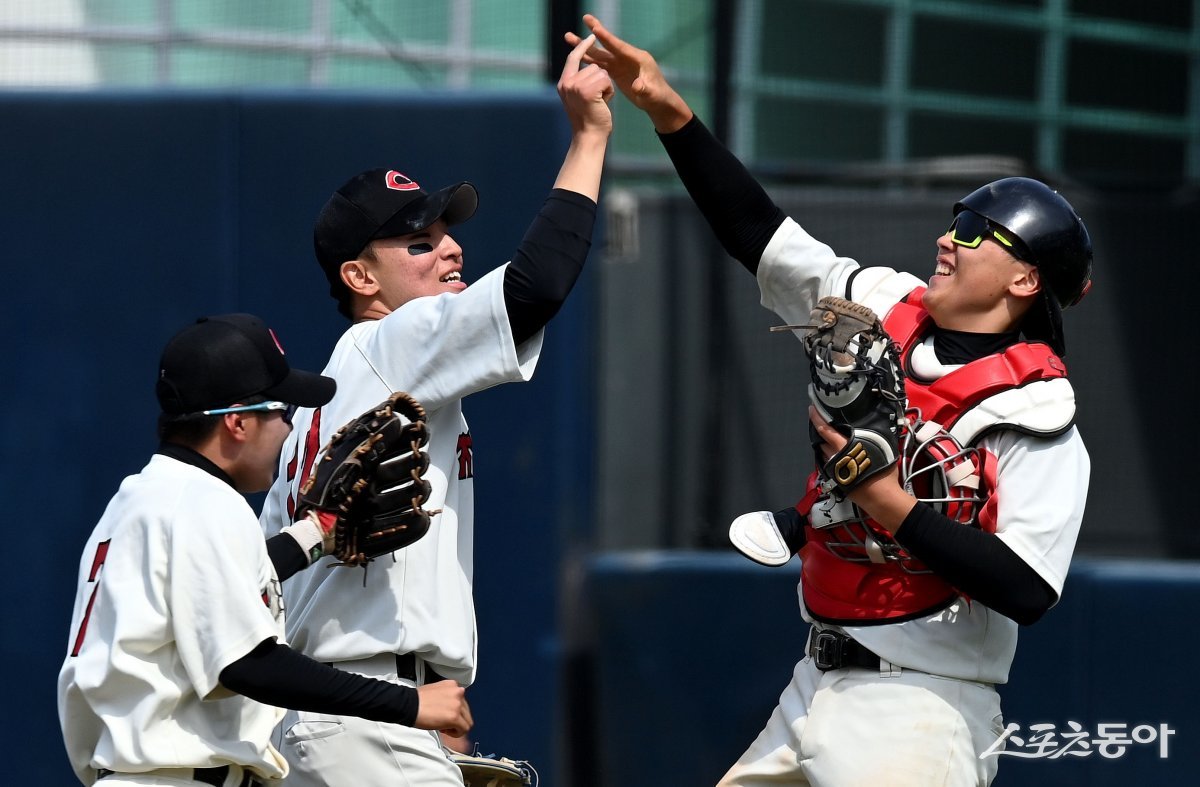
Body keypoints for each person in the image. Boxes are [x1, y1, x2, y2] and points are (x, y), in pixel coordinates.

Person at [566, 16, 1091, 787]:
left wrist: (888, 503)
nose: (949, 238)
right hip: (814, 682)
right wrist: (668, 112)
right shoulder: (881, 303)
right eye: (956, 221)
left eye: (977, 230)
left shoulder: (1038, 414)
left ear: (1025, 279)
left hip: (922, 708)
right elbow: (758, 232)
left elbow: (1028, 587)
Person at [256, 34, 613, 787]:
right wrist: (588, 138)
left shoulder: (320, 405)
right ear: (360, 277)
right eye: (419, 241)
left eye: (447, 232)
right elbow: (537, 286)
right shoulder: (394, 342)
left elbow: (263, 589)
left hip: (345, 712)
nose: (451, 249)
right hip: (368, 715)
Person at [58, 313, 473, 787]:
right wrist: (408, 703)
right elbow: (249, 664)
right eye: (280, 411)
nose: (288, 428)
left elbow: (220, 590)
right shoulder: (204, 502)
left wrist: (314, 536)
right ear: (237, 422)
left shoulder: (140, 499)